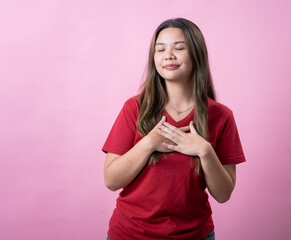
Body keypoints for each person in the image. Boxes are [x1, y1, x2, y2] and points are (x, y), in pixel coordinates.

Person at [102, 18, 246, 240]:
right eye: (160, 50)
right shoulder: (135, 108)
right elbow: (111, 180)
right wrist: (149, 143)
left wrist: (204, 150)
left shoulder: (221, 116)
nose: (168, 55)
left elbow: (224, 193)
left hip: (195, 235)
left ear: (196, 54)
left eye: (179, 48)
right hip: (130, 234)